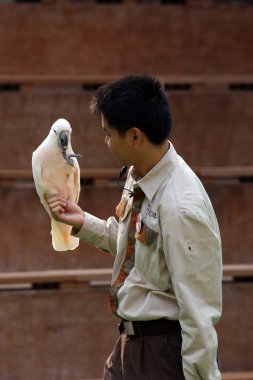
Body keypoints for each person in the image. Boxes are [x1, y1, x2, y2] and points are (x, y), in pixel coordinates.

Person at [48, 74, 222, 380]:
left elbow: (199, 312)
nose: (105, 142)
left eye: (108, 134)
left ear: (134, 136)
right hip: (129, 347)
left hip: (162, 355)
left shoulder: (181, 206)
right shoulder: (139, 173)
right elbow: (138, 247)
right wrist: (83, 222)